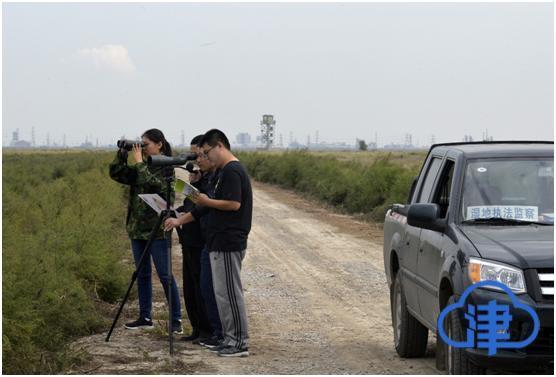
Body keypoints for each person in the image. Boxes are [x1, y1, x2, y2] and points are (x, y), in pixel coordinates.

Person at [165, 129, 252, 357]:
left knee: (230, 294)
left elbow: (234, 204)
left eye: (206, 152)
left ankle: (239, 342)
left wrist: (206, 200)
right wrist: (192, 200)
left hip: (228, 240)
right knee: (221, 293)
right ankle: (229, 338)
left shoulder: (233, 170)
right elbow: (204, 206)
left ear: (220, 146)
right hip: (216, 240)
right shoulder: (222, 172)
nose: (204, 157)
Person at [109, 128, 182, 334]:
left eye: (146, 144)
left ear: (159, 144)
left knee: (165, 275)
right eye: (140, 144)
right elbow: (117, 173)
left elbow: (157, 186)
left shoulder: (166, 166)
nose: (142, 147)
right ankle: (145, 316)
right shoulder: (142, 166)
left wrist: (140, 162)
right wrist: (122, 155)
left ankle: (176, 319)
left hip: (157, 229)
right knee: (142, 274)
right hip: (137, 228)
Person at [175, 135, 212, 341]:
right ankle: (196, 328)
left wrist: (196, 185)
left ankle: (207, 330)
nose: (195, 159)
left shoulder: (212, 178)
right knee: (189, 288)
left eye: (196, 154)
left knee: (201, 287)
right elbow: (189, 205)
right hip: (188, 239)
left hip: (200, 239)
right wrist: (189, 185)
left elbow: (203, 207)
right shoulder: (199, 177)